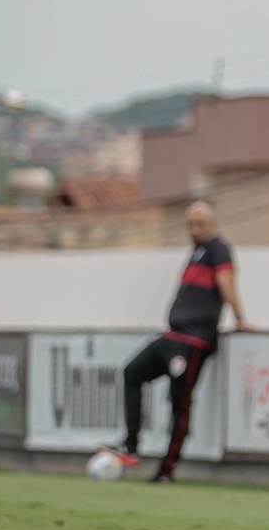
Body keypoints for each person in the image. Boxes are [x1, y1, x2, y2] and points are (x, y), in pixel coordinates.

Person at [103, 201, 254, 483]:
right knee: (132, 372)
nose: (195, 230)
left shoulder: (219, 249)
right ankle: (131, 444)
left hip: (193, 342)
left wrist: (240, 318)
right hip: (172, 336)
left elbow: (227, 284)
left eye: (200, 224)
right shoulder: (196, 253)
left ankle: (166, 471)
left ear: (213, 224)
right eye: (191, 225)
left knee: (179, 403)